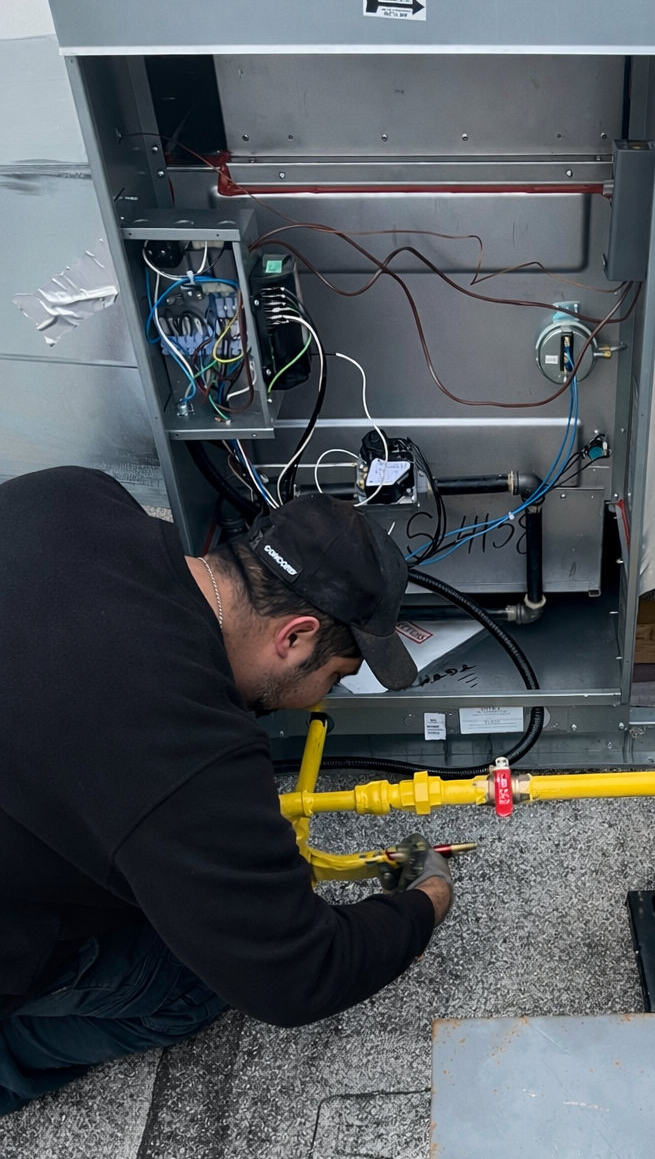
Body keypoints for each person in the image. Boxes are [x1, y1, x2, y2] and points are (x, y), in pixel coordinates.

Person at [0, 466, 453, 1115]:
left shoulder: (71, 494)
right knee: (198, 983)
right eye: (335, 676)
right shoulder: (183, 745)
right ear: (294, 636)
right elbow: (297, 974)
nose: (321, 699)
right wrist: (426, 900)